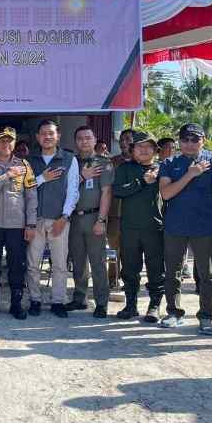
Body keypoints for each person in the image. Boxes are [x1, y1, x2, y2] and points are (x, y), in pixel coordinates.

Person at [158, 123, 212, 332]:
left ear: (203, 140)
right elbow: (166, 194)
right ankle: (173, 312)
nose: (189, 144)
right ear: (179, 141)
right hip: (175, 226)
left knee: (207, 275)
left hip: (204, 227)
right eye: (185, 139)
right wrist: (190, 174)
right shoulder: (170, 162)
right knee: (172, 272)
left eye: (195, 139)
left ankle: (206, 317)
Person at [0, 127, 37, 319]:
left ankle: (16, 304)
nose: (6, 144)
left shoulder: (25, 166)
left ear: (14, 143)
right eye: (2, 140)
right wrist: (7, 175)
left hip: (16, 224)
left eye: (10, 141)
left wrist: (31, 224)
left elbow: (31, 196)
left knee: (17, 265)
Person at [25, 120, 79, 318]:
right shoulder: (30, 161)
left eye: (51, 133)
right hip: (35, 219)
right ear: (38, 137)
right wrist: (42, 178)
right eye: (43, 134)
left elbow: (73, 191)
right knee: (32, 263)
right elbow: (25, 187)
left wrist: (65, 217)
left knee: (59, 264)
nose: (47, 137)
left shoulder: (69, 159)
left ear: (58, 136)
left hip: (59, 219)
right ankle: (35, 299)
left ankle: (58, 301)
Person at [112, 131, 165, 322]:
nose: (143, 150)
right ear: (132, 150)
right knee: (130, 269)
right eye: (139, 146)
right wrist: (142, 181)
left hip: (154, 227)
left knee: (156, 268)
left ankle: (154, 306)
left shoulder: (162, 169)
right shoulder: (125, 168)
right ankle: (131, 304)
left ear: (155, 150)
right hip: (129, 228)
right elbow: (117, 191)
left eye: (148, 146)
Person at [65, 126, 113, 318]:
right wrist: (82, 177)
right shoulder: (71, 163)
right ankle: (79, 298)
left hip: (94, 217)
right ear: (75, 142)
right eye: (80, 139)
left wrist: (101, 220)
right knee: (77, 262)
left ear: (94, 140)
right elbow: (64, 189)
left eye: (88, 138)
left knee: (98, 262)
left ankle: (101, 302)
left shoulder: (104, 163)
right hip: (74, 217)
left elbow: (106, 192)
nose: (84, 142)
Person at [107, 128, 134, 286]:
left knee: (131, 251)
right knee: (112, 250)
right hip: (114, 214)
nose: (124, 143)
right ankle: (112, 278)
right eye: (122, 140)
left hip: (134, 215)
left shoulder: (142, 161)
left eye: (128, 139)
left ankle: (130, 280)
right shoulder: (113, 162)